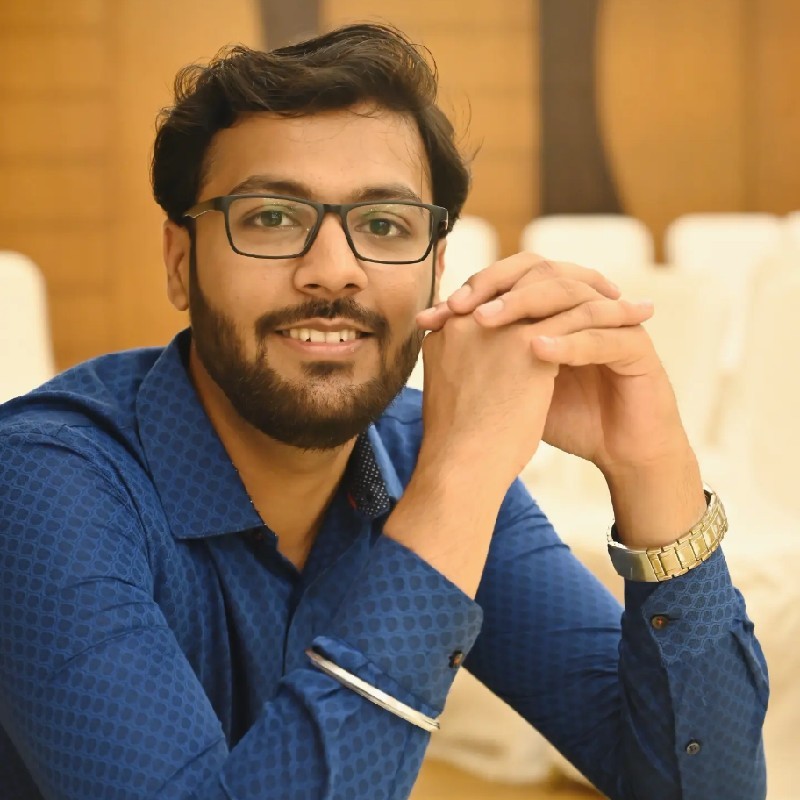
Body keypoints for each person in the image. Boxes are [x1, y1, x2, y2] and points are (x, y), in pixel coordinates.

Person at [0, 23, 767, 800]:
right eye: (271, 217)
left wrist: (654, 468)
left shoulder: (420, 452)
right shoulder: (42, 485)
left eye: (384, 226)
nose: (333, 270)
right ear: (179, 262)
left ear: (436, 270)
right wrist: (457, 482)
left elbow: (703, 788)